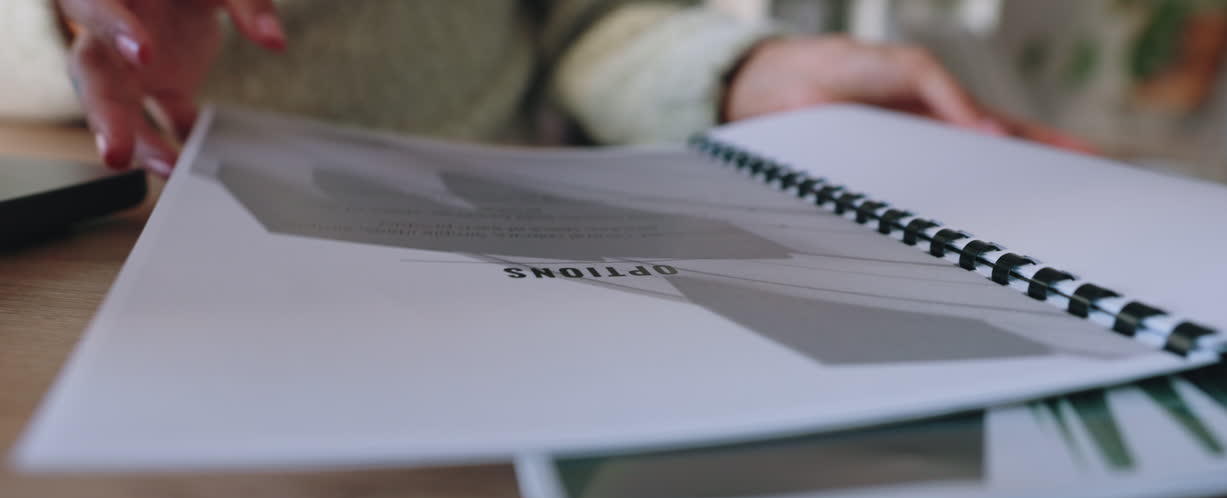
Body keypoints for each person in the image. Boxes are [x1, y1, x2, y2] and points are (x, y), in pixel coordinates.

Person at [1, 1, 1088, 176]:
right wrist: (69, 26)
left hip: (489, 242)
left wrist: (747, 73)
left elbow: (587, 24)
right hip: (111, 242)